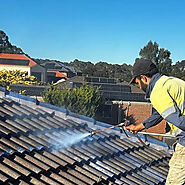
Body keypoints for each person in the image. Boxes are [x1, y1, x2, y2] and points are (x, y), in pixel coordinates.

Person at [125, 58, 185, 185]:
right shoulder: (170, 82)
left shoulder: (157, 92)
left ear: (143, 78)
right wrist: (140, 127)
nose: (139, 86)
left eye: (137, 83)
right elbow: (160, 113)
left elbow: (179, 121)